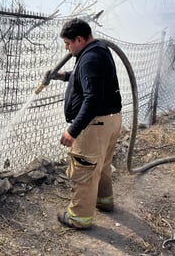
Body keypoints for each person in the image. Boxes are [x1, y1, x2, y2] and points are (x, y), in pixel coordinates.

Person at [47, 18, 122, 230]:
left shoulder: (89, 59)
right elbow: (83, 77)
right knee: (102, 166)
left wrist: (73, 130)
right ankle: (104, 201)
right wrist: (61, 76)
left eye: (68, 43)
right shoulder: (98, 50)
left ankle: (78, 218)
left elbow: (92, 99)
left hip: (95, 125)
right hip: (110, 121)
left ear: (79, 39)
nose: (66, 47)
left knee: (84, 171)